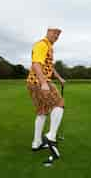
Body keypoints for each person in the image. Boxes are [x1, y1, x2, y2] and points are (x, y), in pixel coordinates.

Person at [26, 28, 65, 157]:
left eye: (58, 34)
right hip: (39, 81)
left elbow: (50, 66)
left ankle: (36, 142)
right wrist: (43, 82)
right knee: (59, 103)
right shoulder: (41, 44)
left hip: (34, 82)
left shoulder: (49, 47)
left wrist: (59, 78)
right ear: (47, 32)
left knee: (42, 111)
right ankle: (51, 136)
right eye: (54, 33)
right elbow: (36, 64)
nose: (56, 36)